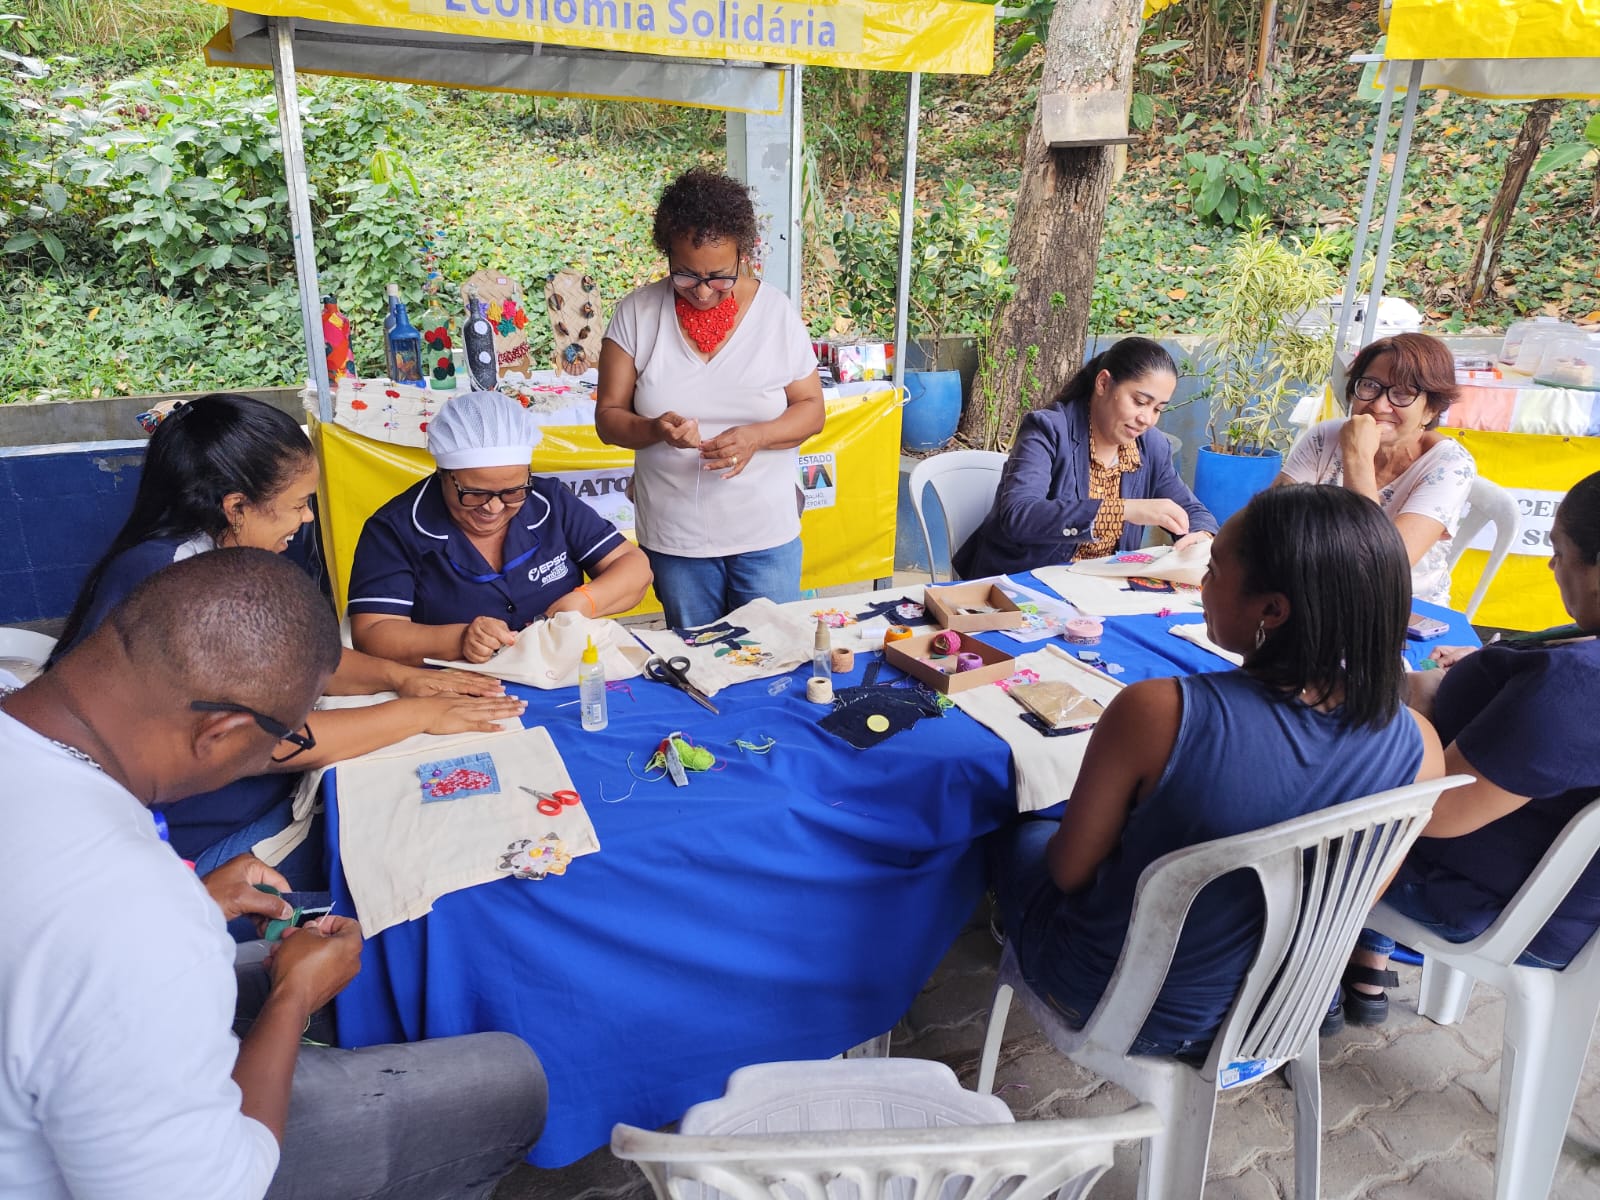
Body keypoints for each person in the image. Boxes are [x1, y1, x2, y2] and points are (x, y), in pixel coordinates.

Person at [0, 549, 546, 1200]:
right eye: (282, 743)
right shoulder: (138, 922)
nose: (280, 754)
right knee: (511, 1082)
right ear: (223, 732)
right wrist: (292, 1001)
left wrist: (198, 900)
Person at [989, 484, 1445, 1056]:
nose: (1199, 586)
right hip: (1280, 1009)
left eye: (1213, 572)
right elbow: (1347, 898)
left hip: (1118, 1003)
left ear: (1272, 610)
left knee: (1016, 830)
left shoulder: (1158, 712)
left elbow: (1070, 874)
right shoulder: (1422, 749)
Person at [52, 392, 526, 885]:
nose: (305, 520)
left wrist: (403, 679)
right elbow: (270, 745)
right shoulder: (182, 588)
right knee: (403, 849)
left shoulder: (202, 552)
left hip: (212, 802)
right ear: (236, 507)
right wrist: (418, 714)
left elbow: (296, 662)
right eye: (299, 504)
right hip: (189, 844)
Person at [1334, 470, 1600, 1028]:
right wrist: (1487, 671)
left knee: (1303, 792)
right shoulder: (1574, 664)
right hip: (1550, 893)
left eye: (1559, 551)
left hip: (1502, 908)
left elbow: (1437, 813)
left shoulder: (1574, 687)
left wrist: (1408, 711)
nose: (1552, 567)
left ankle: (1280, 987)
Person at [594, 167, 826, 629]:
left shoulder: (775, 314)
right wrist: (655, 429)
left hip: (766, 534)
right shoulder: (638, 314)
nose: (702, 291)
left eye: (718, 276)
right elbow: (608, 418)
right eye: (685, 275)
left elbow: (811, 409)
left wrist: (756, 437)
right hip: (677, 539)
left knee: (771, 658)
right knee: (696, 660)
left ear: (744, 253)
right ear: (667, 254)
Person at [349, 390, 652, 664]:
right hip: (456, 685)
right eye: (475, 494)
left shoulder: (550, 501)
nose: (493, 508)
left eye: (512, 492)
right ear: (442, 473)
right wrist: (460, 638)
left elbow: (634, 568)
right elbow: (372, 631)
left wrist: (583, 602)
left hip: (562, 669)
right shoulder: (395, 530)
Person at [953, 337, 1217, 580]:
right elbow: (1020, 514)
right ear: (1103, 383)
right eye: (1139, 401)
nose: (1146, 419)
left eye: (1158, 409)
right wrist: (1124, 510)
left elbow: (1193, 511)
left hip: (1101, 589)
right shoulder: (1048, 430)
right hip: (1024, 585)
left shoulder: (1150, 447)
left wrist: (1201, 536)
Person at [1275, 331, 1475, 607]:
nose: (1379, 406)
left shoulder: (1450, 465)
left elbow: (1381, 569)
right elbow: (1272, 523)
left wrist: (1357, 458)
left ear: (1431, 409)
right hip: (1313, 594)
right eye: (1369, 386)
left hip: (1402, 610)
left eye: (1403, 393)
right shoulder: (1325, 437)